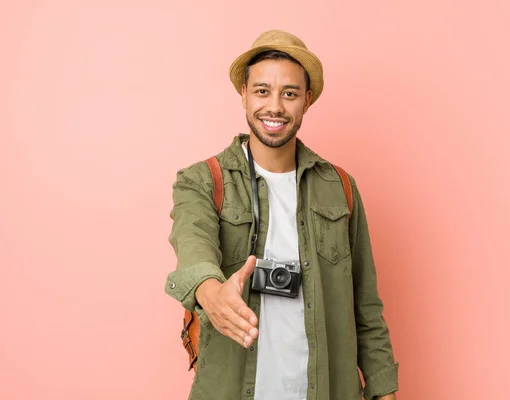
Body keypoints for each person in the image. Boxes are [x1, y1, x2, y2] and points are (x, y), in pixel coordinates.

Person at [165, 29, 398, 400]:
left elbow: (365, 305)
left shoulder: (340, 187)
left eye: (289, 93)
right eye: (262, 91)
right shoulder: (202, 181)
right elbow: (193, 245)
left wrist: (384, 389)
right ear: (243, 93)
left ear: (307, 100)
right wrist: (210, 292)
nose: (274, 106)